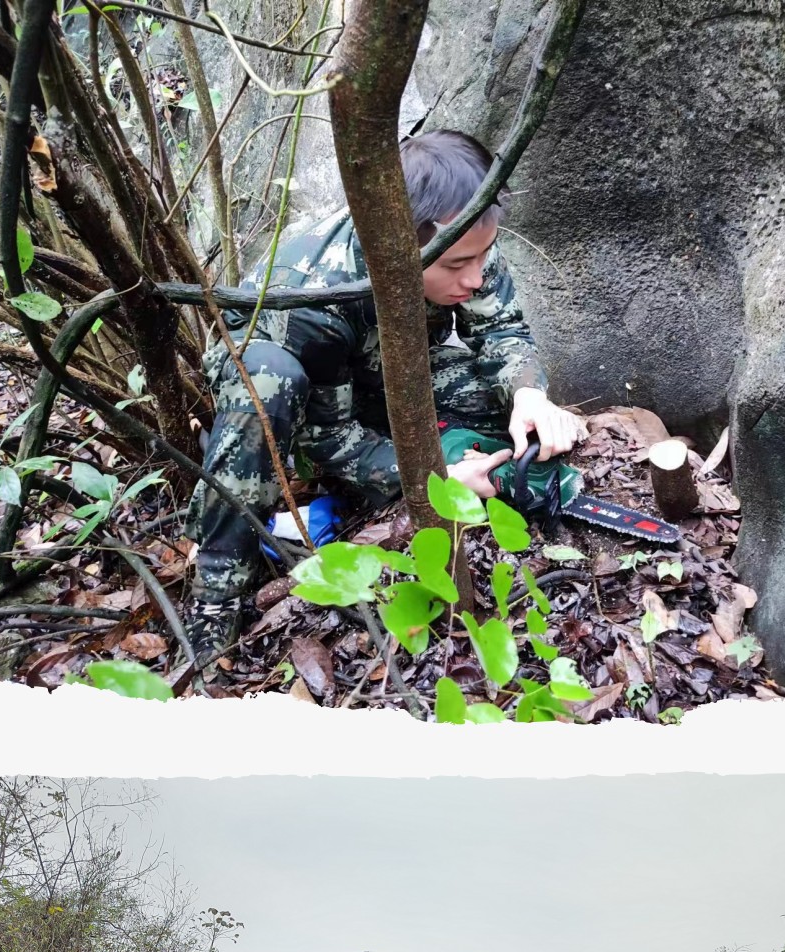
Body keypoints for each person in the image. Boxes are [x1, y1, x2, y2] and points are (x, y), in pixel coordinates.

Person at [184, 128, 587, 662]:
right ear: (397, 242)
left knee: (495, 400)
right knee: (267, 377)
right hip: (293, 391)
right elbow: (331, 438)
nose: (474, 277)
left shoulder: (463, 239)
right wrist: (434, 482)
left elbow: (502, 334)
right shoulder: (312, 301)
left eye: (482, 257)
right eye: (454, 265)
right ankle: (216, 595)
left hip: (383, 366)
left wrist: (528, 395)